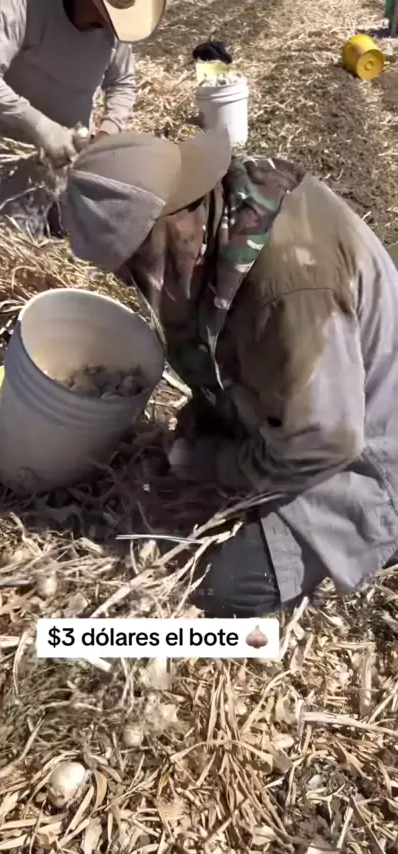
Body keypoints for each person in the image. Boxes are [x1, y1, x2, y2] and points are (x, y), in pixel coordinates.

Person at [57, 127, 398, 618]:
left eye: (133, 266)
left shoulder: (287, 283)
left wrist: (219, 464)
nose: (131, 281)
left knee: (225, 589)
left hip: (373, 450)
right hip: (330, 397)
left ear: (168, 229)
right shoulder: (227, 210)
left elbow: (326, 440)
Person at [0, 0, 165, 237]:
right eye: (105, 13)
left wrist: (108, 132)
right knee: (20, 238)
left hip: (73, 152)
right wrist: (39, 126)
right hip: (16, 152)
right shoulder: (25, 7)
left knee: (79, 236)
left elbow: (122, 82)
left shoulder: (115, 26)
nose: (109, 24)